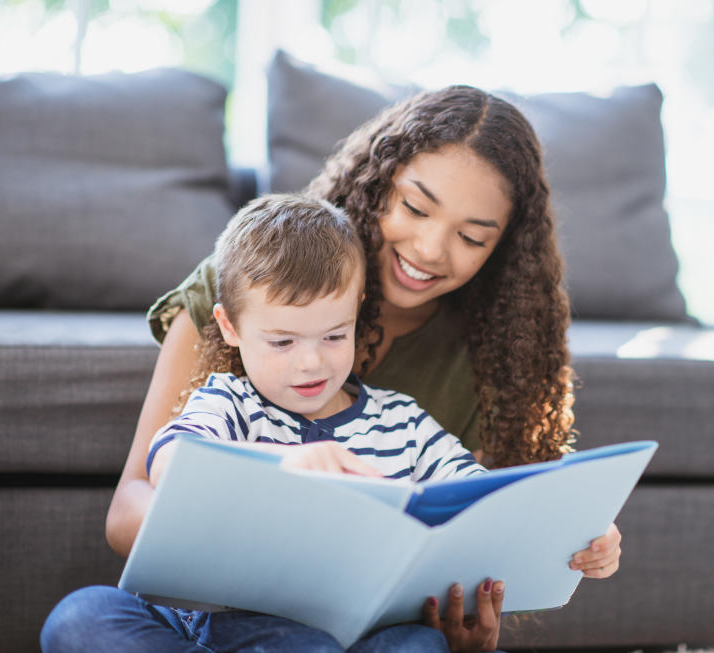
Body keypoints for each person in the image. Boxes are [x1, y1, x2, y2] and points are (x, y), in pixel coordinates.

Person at [106, 85, 622, 652]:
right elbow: (137, 498)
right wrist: (257, 513)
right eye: (415, 208)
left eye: (471, 237)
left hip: (359, 630)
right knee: (86, 619)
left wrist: (569, 530)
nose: (429, 248)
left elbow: (480, 510)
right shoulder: (253, 281)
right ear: (377, 186)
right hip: (231, 612)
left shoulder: (454, 378)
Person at [42, 194, 491, 653]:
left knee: (416, 645)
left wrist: (557, 538)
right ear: (231, 327)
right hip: (215, 623)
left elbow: (482, 498)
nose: (311, 362)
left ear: (358, 307)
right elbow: (172, 461)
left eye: (335, 335)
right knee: (80, 619)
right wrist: (284, 461)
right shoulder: (228, 401)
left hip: (349, 634)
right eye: (282, 342)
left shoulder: (404, 422)